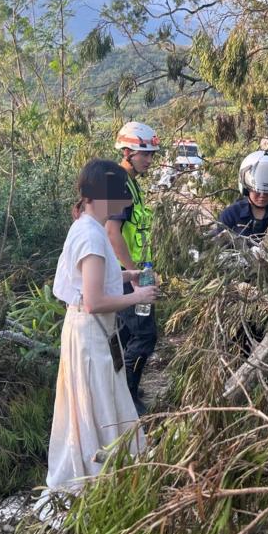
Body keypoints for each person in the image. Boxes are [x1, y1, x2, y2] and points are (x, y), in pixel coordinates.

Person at [36, 159, 158, 513]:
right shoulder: (91, 235)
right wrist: (139, 296)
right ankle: (99, 479)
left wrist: (129, 274)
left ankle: (112, 473)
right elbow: (93, 301)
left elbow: (95, 282)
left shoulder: (86, 226)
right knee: (99, 407)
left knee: (104, 401)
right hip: (90, 338)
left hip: (90, 334)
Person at [106, 121, 160, 415]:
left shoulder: (129, 182)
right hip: (127, 275)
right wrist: (135, 275)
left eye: (151, 154)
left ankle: (121, 392)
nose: (149, 160)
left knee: (126, 335)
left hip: (134, 271)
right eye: (145, 154)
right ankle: (128, 399)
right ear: (127, 151)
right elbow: (112, 232)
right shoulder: (119, 184)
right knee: (144, 335)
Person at [216, 150, 268, 241]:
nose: (262, 195)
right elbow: (218, 248)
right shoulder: (230, 215)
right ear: (246, 188)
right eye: (257, 191)